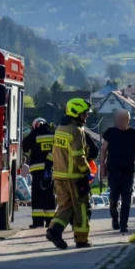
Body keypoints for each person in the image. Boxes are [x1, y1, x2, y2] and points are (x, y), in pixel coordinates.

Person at [47, 98, 93, 250]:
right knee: (82, 207)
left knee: (65, 206)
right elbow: (78, 156)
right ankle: (82, 240)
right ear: (76, 113)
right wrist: (87, 172)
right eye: (84, 114)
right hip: (75, 177)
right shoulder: (77, 131)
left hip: (59, 176)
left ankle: (54, 230)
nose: (86, 117)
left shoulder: (60, 128)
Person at [101, 110, 135, 233]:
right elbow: (103, 150)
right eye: (119, 119)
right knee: (113, 198)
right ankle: (115, 217)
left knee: (126, 198)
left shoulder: (134, 133)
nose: (120, 121)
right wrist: (103, 167)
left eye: (123, 119)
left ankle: (123, 224)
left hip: (128, 171)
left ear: (128, 120)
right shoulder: (110, 132)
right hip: (113, 171)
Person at [21, 118, 56, 228]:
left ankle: (38, 222)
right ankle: (50, 221)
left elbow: (25, 147)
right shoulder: (53, 135)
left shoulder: (34, 134)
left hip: (37, 171)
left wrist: (32, 133)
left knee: (37, 197)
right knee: (50, 196)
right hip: (51, 171)